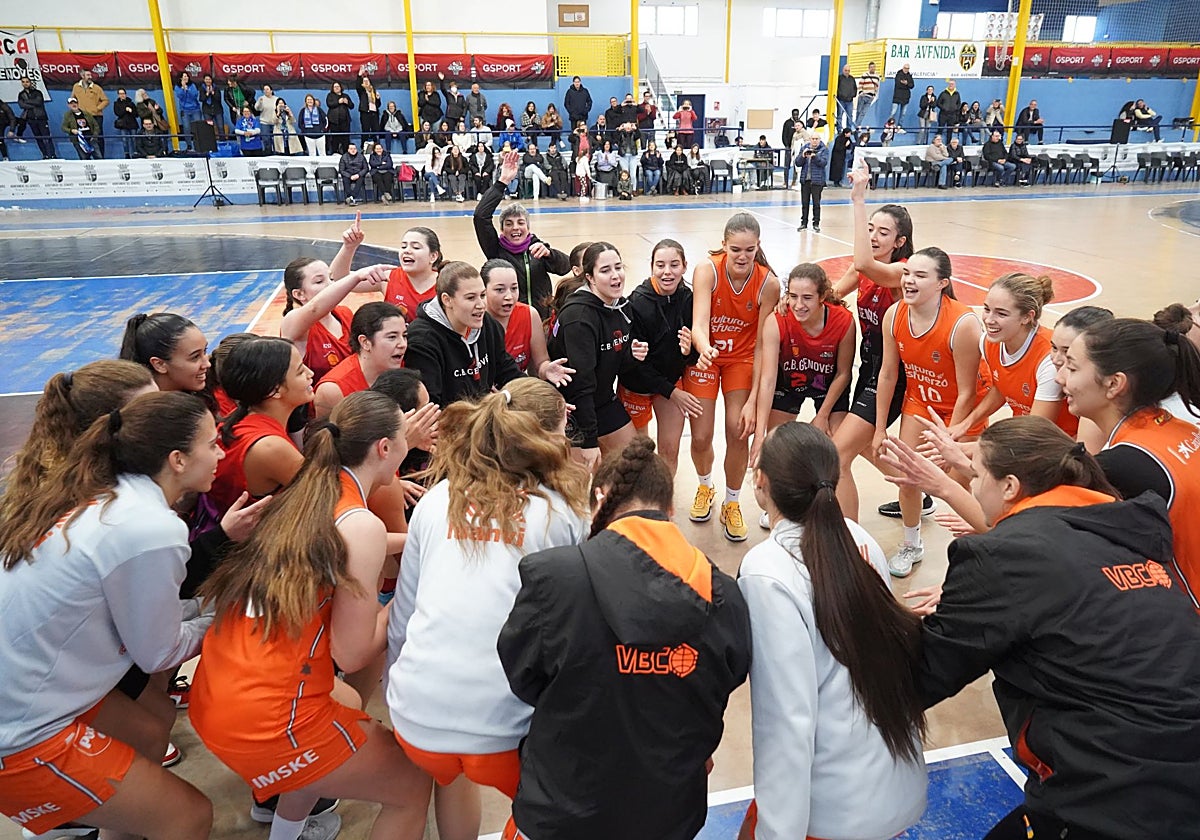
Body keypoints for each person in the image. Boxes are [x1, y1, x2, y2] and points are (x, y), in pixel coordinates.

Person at [911, 415, 1200, 839]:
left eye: (976, 475)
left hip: (1118, 794)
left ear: (1009, 487)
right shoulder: (1125, 530)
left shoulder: (1003, 558)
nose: (970, 486)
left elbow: (921, 675)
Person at [192, 391, 431, 840]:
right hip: (270, 717)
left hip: (218, 695)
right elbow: (353, 651)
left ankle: (286, 829)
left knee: (345, 703)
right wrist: (411, 593)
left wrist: (418, 540)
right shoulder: (361, 523)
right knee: (412, 783)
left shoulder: (306, 491)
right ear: (385, 449)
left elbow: (350, 546)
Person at [499, 436, 751, 840]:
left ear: (599, 498)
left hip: (562, 811)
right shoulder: (724, 595)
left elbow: (522, 677)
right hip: (669, 815)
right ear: (669, 510)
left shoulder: (553, 577)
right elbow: (725, 683)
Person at [0, 392, 221, 840]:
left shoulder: (108, 495)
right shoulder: (151, 527)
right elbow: (160, 652)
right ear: (177, 459)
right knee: (190, 817)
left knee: (152, 725)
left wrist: (200, 610)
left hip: (26, 685)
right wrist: (224, 617)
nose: (221, 453)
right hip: (19, 731)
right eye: (213, 443)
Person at [386, 379, 590, 838]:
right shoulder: (561, 513)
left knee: (453, 775)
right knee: (561, 812)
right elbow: (576, 634)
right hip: (505, 731)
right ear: (552, 438)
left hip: (414, 718)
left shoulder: (437, 500)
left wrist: (402, 690)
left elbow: (403, 617)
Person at [738, 422, 928, 840]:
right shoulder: (860, 540)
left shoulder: (766, 571)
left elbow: (786, 721)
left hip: (830, 812)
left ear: (760, 481)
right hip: (893, 787)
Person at [1058, 318, 1200, 603]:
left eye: (1071, 367)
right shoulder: (1183, 428)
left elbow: (1039, 552)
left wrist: (949, 487)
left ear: (1114, 384)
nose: (1060, 377)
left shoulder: (1123, 466)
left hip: (1184, 623)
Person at [875, 247, 984, 577]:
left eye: (920, 276)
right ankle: (912, 543)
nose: (909, 281)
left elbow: (967, 391)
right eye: (907, 273)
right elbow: (888, 374)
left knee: (957, 488)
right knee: (909, 478)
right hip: (920, 405)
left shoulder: (963, 324)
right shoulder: (894, 315)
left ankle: (974, 555)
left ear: (942, 284)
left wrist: (949, 439)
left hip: (960, 414)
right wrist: (881, 428)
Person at [686, 213, 781, 542]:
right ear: (724, 245)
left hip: (742, 360)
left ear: (758, 248)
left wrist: (754, 397)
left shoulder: (768, 283)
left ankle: (732, 502)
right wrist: (704, 346)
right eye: (736, 249)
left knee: (738, 430)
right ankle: (704, 486)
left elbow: (761, 346)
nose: (742, 257)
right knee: (700, 436)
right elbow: (699, 322)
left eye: (749, 250)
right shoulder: (707, 270)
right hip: (707, 357)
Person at [752, 263, 855, 498]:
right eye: (793, 296)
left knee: (839, 454)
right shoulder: (777, 320)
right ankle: (781, 510)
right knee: (774, 452)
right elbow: (768, 380)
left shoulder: (843, 321)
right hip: (788, 384)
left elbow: (843, 373)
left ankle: (844, 523)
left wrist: (823, 415)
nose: (799, 305)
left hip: (828, 387)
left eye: (807, 297)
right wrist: (759, 436)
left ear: (822, 297)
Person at [550, 242, 650, 468]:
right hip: (572, 407)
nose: (615, 276)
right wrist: (589, 440)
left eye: (618, 267)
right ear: (590, 278)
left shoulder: (621, 307)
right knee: (580, 482)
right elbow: (581, 383)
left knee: (635, 465)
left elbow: (613, 362)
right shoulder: (579, 318)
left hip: (602, 399)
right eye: (605, 271)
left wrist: (631, 356)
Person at [617, 240, 700, 476]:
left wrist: (688, 352)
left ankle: (664, 502)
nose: (667, 272)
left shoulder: (688, 299)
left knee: (669, 450)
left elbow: (694, 350)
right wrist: (673, 392)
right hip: (638, 385)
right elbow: (637, 367)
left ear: (684, 266)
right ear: (651, 267)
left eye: (674, 265)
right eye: (660, 265)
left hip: (669, 382)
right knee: (639, 454)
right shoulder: (637, 302)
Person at [404, 261, 533, 407]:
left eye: (482, 295)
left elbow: (507, 372)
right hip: (449, 424)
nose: (481, 305)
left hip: (482, 416)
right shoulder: (423, 340)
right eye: (471, 298)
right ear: (447, 300)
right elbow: (431, 405)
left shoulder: (488, 324)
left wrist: (542, 395)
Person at [280, 240, 392, 386]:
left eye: (331, 278)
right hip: (317, 404)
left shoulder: (345, 314)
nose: (331, 284)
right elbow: (314, 308)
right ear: (299, 294)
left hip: (354, 400)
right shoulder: (291, 322)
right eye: (319, 281)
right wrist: (356, 276)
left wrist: (349, 247)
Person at [474, 150, 571, 316]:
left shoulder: (537, 248)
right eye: (509, 224)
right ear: (502, 230)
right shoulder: (495, 250)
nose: (515, 228)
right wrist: (503, 181)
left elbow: (565, 267)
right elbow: (480, 216)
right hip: (510, 319)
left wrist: (550, 254)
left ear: (528, 228)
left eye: (520, 223)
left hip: (542, 319)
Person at [313, 302, 407, 418]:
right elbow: (326, 435)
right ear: (365, 342)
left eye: (404, 336)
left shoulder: (405, 367)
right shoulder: (334, 390)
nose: (403, 344)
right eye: (392, 337)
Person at [482, 258, 561, 379]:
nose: (509, 296)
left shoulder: (529, 314)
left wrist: (546, 370)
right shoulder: (474, 319)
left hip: (517, 388)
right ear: (483, 291)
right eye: (500, 290)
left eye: (514, 288)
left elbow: (540, 363)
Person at [119, 312, 210, 396]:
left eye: (205, 351)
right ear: (160, 364)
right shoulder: (146, 411)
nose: (207, 364)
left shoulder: (207, 390)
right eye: (195, 357)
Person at [71, 69, 109, 156]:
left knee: (98, 136)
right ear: (82, 76)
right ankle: (87, 156)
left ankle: (101, 157)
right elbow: (73, 99)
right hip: (82, 117)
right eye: (88, 75)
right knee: (85, 137)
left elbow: (106, 100)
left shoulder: (97, 88)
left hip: (96, 116)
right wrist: (75, 109)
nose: (90, 77)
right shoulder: (76, 87)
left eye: (90, 75)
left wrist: (97, 108)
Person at [795, 134, 828, 233]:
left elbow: (823, 163)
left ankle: (816, 224)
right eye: (813, 139)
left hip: (817, 181)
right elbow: (797, 162)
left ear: (819, 140)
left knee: (816, 203)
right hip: (805, 180)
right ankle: (803, 223)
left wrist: (815, 157)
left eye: (816, 139)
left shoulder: (823, 150)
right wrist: (803, 156)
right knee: (804, 203)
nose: (814, 141)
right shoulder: (804, 148)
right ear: (809, 140)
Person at [15, 77, 54, 159]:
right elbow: (21, 105)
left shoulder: (37, 92)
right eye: (23, 82)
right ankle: (45, 155)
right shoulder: (21, 94)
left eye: (27, 81)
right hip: (31, 119)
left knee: (47, 137)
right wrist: (32, 104)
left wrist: (27, 101)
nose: (25, 83)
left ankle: (52, 155)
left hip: (41, 118)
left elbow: (39, 102)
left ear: (30, 82)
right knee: (38, 138)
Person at [326, 82, 354, 156]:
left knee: (345, 139)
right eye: (335, 87)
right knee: (335, 139)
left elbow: (352, 106)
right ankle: (335, 153)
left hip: (345, 122)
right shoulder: (330, 96)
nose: (336, 88)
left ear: (341, 87)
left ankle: (346, 154)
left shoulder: (346, 96)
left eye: (338, 86)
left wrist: (347, 102)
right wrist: (338, 102)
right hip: (334, 122)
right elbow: (329, 104)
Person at [356, 71, 382, 148]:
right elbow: (357, 86)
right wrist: (359, 75)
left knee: (375, 131)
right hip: (365, 113)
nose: (366, 82)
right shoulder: (362, 91)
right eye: (364, 81)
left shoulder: (373, 91)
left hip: (374, 113)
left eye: (367, 81)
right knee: (365, 130)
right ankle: (363, 147)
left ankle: (376, 147)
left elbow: (378, 105)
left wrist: (378, 99)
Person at [111, 88, 139, 158]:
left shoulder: (131, 103)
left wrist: (131, 111)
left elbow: (136, 114)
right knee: (124, 140)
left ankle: (135, 153)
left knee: (134, 139)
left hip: (132, 124)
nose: (122, 95)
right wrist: (125, 110)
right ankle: (126, 154)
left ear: (126, 94)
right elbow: (118, 113)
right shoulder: (116, 104)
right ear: (118, 95)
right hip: (123, 125)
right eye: (120, 94)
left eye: (123, 93)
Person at [175, 71, 201, 145]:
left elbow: (194, 95)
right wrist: (183, 89)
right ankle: (189, 145)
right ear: (180, 78)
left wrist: (188, 90)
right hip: (185, 110)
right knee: (186, 128)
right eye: (184, 77)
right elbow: (180, 96)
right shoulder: (177, 87)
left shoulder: (192, 85)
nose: (186, 78)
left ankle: (198, 144)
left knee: (198, 127)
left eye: (187, 76)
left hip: (195, 109)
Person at [253, 84, 280, 154]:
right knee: (266, 139)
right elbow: (257, 108)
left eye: (267, 89)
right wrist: (259, 102)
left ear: (271, 90)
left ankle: (277, 152)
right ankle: (268, 152)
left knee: (277, 139)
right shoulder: (261, 98)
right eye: (264, 89)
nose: (266, 91)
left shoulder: (276, 99)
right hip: (264, 122)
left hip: (275, 122)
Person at [198, 73, 225, 138]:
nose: (208, 81)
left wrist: (213, 93)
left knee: (220, 127)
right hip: (207, 111)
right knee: (209, 128)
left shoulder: (216, 88)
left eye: (209, 79)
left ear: (212, 80)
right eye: (206, 79)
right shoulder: (202, 88)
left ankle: (223, 142)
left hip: (217, 110)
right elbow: (201, 99)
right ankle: (210, 143)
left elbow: (219, 98)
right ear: (204, 80)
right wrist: (207, 94)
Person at [856, 61, 881, 127]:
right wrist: (861, 92)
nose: (872, 68)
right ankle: (856, 125)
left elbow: (876, 86)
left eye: (874, 67)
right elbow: (860, 84)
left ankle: (857, 126)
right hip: (863, 96)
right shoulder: (865, 75)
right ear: (869, 68)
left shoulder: (877, 76)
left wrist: (874, 95)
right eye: (871, 67)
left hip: (870, 97)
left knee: (863, 112)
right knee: (859, 111)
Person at [781, 108, 801, 188]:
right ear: (792, 114)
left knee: (796, 165)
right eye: (794, 114)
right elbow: (784, 135)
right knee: (787, 165)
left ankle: (794, 181)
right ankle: (785, 182)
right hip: (789, 147)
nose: (796, 116)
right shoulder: (787, 123)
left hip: (797, 148)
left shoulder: (800, 123)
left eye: (797, 115)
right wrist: (786, 145)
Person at [835, 64, 857, 130]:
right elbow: (836, 88)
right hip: (841, 100)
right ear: (843, 70)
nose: (847, 72)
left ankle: (849, 129)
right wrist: (840, 95)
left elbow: (855, 88)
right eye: (846, 70)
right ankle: (839, 129)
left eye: (848, 70)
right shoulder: (839, 78)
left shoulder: (852, 78)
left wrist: (853, 95)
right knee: (839, 116)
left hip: (850, 101)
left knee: (850, 116)